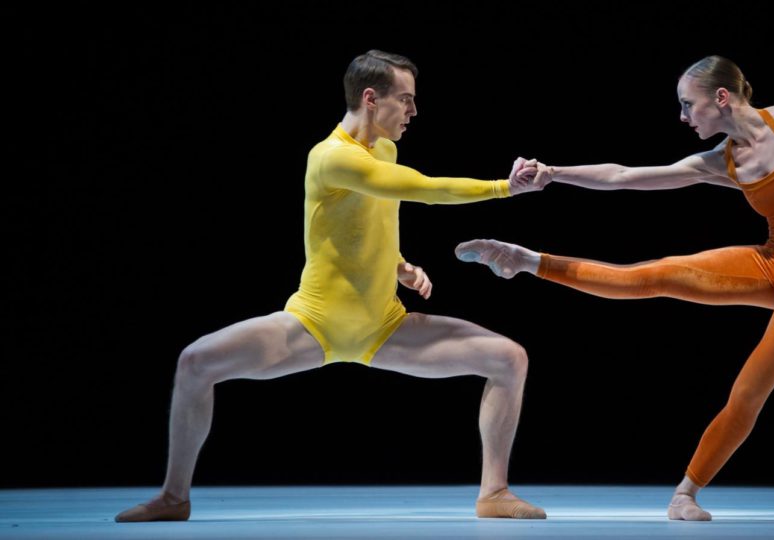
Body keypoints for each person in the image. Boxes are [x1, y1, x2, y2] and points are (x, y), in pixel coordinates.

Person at [115, 49, 548, 523]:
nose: (413, 111)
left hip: (384, 326)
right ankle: (174, 497)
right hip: (312, 323)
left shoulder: (383, 149)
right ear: (370, 98)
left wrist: (399, 266)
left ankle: (495, 492)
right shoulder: (331, 157)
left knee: (508, 357)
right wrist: (504, 188)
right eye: (405, 100)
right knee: (195, 362)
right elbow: (423, 189)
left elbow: (369, 217)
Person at [456, 55, 774, 521]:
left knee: (750, 386)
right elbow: (624, 176)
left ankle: (686, 492)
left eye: (688, 105)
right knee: (655, 273)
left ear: (722, 98)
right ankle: (525, 261)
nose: (682, 116)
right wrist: (554, 172)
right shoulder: (722, 160)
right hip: (773, 258)